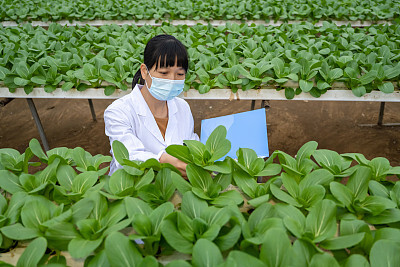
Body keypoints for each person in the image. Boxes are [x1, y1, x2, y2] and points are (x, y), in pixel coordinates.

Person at [104, 34, 199, 176]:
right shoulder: (118, 111)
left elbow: (191, 144)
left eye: (179, 74)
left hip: (173, 183)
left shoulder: (183, 107)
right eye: (164, 73)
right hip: (132, 185)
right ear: (144, 71)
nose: (172, 80)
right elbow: (126, 156)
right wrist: (162, 160)